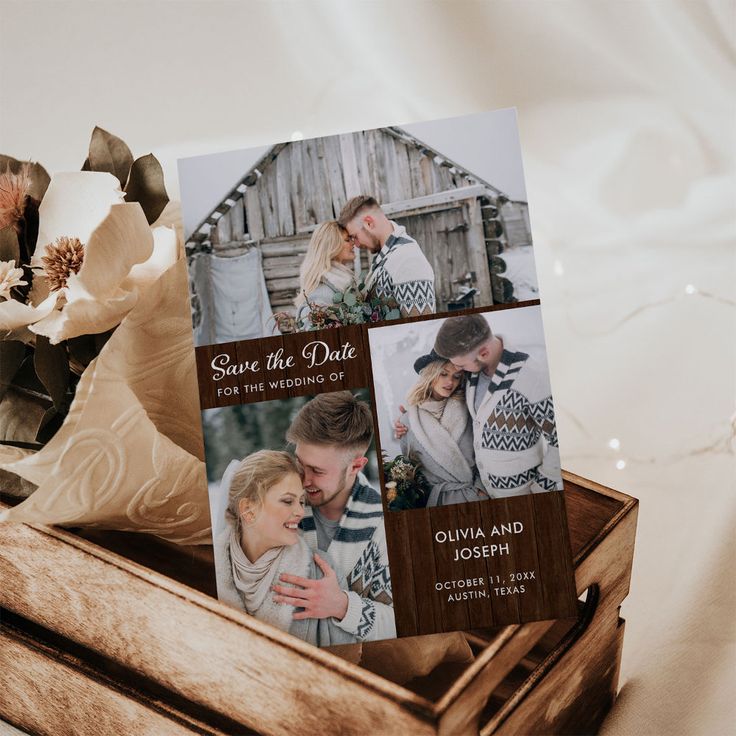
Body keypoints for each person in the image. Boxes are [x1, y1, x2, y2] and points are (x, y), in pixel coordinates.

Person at [272, 391, 396, 642]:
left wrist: (343, 607)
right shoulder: (275, 500)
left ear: (356, 466)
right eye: (299, 463)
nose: (304, 480)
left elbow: (405, 624)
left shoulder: (386, 527)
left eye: (317, 471)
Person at [396, 313, 562, 497]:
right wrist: (411, 419)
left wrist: (543, 489)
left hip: (522, 492)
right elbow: (436, 394)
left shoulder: (532, 377)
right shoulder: (473, 374)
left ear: (483, 353)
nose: (457, 370)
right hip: (484, 492)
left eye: (460, 365)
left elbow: (560, 441)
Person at [213, 449, 356, 646]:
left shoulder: (321, 571)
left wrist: (342, 607)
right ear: (248, 510)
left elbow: (346, 657)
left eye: (301, 501)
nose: (299, 511)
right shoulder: (209, 570)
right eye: (288, 501)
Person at [399, 351, 488, 507]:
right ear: (431, 374)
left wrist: (480, 488)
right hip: (437, 500)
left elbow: (484, 451)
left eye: (456, 376)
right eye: (443, 374)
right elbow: (410, 469)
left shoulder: (468, 408)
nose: (450, 382)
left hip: (474, 495)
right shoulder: (409, 420)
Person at [338, 195, 436, 318]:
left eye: (355, 236)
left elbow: (420, 329)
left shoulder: (408, 260)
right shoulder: (386, 255)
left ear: (369, 223)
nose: (356, 244)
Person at [294, 221, 357, 328]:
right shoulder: (323, 291)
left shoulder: (340, 281)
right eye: (347, 240)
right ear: (332, 246)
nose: (353, 243)